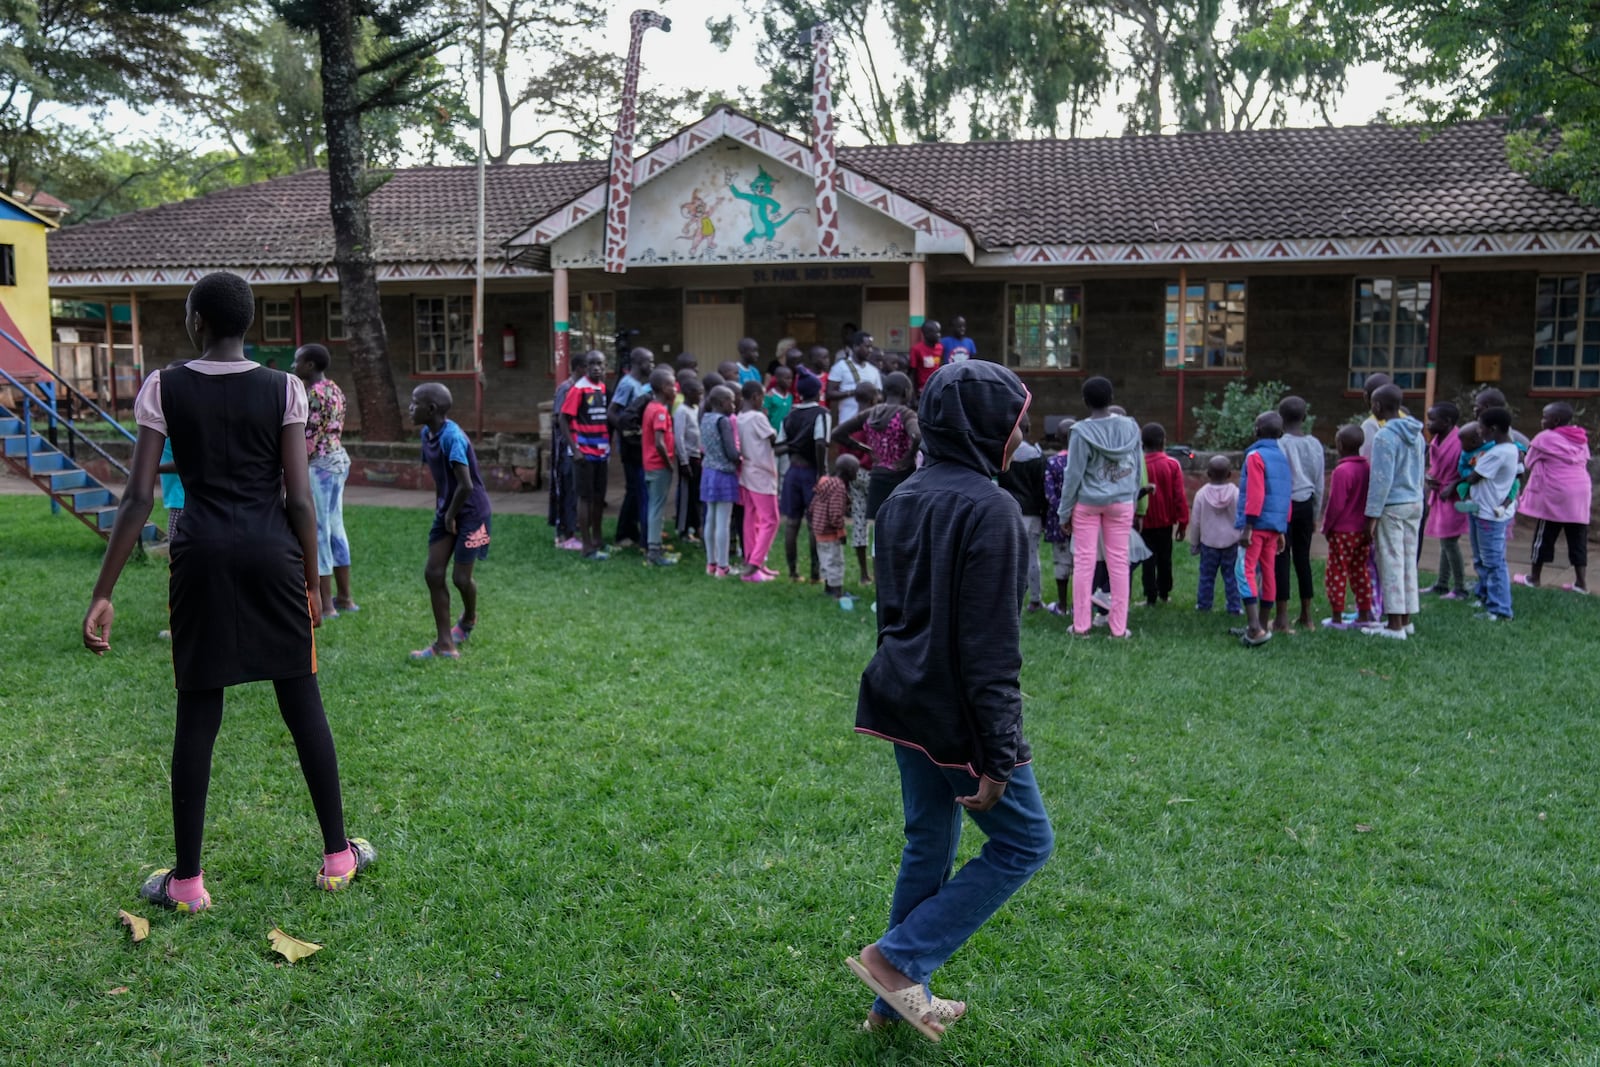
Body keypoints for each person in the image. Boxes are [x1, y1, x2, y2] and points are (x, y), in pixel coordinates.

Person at [83, 271, 371, 912]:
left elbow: (136, 497)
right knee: (302, 703)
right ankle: (336, 856)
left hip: (199, 560)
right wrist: (313, 582)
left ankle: (186, 883)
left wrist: (104, 591)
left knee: (197, 713)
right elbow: (300, 499)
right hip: (274, 558)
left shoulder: (164, 385)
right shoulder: (287, 388)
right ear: (244, 325)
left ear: (195, 322)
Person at [848, 360, 1051, 1043]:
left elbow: (892, 614)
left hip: (900, 696)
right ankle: (893, 959)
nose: (1020, 436)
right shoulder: (991, 509)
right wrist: (999, 754)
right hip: (953, 714)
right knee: (1025, 841)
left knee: (930, 841)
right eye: (1016, 423)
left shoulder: (900, 496)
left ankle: (894, 1002)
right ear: (983, 425)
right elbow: (991, 651)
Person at [1056, 377, 1142, 638]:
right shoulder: (1131, 427)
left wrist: (1064, 511)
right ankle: (1118, 628)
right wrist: (1133, 499)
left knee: (1084, 563)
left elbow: (1073, 475)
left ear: (1085, 401)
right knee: (1119, 562)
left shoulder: (1081, 432)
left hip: (1088, 503)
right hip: (1122, 500)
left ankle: (1081, 626)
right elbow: (1137, 467)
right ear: (1112, 397)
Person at [411, 382, 493, 659]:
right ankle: (444, 644)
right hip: (447, 510)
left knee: (460, 578)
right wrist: (441, 511)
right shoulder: (427, 433)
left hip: (472, 512)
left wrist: (449, 514)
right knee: (433, 573)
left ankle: (469, 619)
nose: (410, 407)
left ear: (431, 409)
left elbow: (466, 485)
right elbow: (440, 477)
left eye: (415, 403)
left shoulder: (452, 437)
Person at [289, 344, 361, 618]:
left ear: (309, 365)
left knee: (318, 530)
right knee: (335, 527)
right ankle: (345, 597)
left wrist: (287, 471)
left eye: (297, 361)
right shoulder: (335, 389)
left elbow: (307, 441)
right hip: (337, 461)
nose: (293, 366)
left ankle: (327, 605)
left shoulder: (312, 395)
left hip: (320, 467)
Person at [1363, 383, 1426, 639]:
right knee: (1408, 561)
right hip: (1415, 502)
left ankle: (1394, 626)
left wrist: (1371, 515)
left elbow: (1381, 479)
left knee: (1390, 562)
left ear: (1377, 406)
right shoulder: (1418, 434)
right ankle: (1407, 619)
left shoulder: (1384, 436)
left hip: (1392, 506)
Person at [1516, 401, 1591, 593]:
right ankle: (1581, 583)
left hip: (1556, 493)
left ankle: (1534, 578)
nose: (1542, 420)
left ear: (1556, 420)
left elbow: (1528, 462)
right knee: (1578, 537)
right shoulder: (1580, 437)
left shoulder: (1545, 438)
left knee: (1544, 536)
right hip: (1581, 491)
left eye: (1544, 416)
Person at [1233, 411, 1292, 647]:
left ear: (1256, 431)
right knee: (1269, 572)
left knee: (1244, 570)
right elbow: (1286, 494)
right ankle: (1263, 624)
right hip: (1274, 526)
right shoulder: (1282, 458)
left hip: (1256, 525)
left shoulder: (1255, 456)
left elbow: (1256, 494)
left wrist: (1247, 525)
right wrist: (1282, 529)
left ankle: (1254, 628)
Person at [834, 372, 921, 526]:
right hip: (902, 477)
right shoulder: (906, 414)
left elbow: (837, 434)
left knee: (880, 526)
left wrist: (865, 448)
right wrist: (909, 456)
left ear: (884, 392)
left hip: (878, 476)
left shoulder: (871, 413)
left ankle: (877, 551)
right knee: (902, 525)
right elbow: (917, 435)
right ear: (906, 392)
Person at [777, 370, 832, 583]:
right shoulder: (821, 413)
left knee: (792, 523)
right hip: (811, 472)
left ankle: (792, 572)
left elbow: (779, 448)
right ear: (818, 392)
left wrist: (795, 444)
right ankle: (815, 574)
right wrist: (821, 472)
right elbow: (820, 442)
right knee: (813, 523)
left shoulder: (789, 415)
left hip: (792, 471)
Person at [1273, 397, 1322, 633]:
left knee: (1280, 556)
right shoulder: (1314, 444)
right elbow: (1320, 482)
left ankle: (1281, 617)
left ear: (1279, 419)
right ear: (1305, 417)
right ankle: (1307, 615)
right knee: (1303, 558)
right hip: (1306, 504)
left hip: (1285, 505)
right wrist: (1316, 513)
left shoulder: (1280, 444)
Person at [1321, 425, 1377, 629]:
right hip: (1362, 529)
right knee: (1359, 570)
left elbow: (1336, 504)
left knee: (1336, 571)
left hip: (1342, 531)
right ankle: (1364, 612)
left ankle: (1336, 617)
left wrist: (1327, 527)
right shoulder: (1367, 468)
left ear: (1340, 445)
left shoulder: (1342, 471)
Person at [1469, 406, 1521, 621]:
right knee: (1482, 558)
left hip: (1489, 515)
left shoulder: (1498, 453)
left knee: (1493, 562)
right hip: (1484, 510)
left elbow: (1473, 477)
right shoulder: (1507, 448)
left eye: (1480, 426)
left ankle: (1500, 609)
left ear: (1492, 429)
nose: (1478, 430)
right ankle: (1484, 595)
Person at [559, 350, 611, 560]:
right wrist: (576, 449)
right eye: (591, 364)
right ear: (585, 367)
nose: (596, 368)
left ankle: (598, 540)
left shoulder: (602, 387)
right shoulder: (578, 389)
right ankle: (587, 546)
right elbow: (563, 419)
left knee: (599, 497)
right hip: (583, 453)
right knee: (585, 498)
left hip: (601, 452)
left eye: (600, 364)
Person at [997, 413, 1047, 611]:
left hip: (1007, 512)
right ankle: (1035, 599)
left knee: (1005, 557)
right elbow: (1042, 489)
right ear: (1028, 428)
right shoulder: (1036, 456)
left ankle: (1005, 600)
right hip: (1031, 513)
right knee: (1032, 556)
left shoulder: (1002, 454)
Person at [1423, 402, 1470, 598]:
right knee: (1445, 541)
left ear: (1447, 422)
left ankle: (1460, 588)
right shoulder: (1437, 440)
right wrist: (1429, 477)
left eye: (1432, 419)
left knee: (1449, 542)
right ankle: (1441, 584)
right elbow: (1434, 467)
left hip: (1455, 497)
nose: (1428, 423)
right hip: (1440, 495)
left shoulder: (1462, 442)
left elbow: (1473, 470)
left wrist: (1453, 484)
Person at [609, 348, 654, 548]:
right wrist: (627, 433)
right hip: (630, 447)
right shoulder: (627, 384)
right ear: (638, 362)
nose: (652, 366)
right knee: (634, 489)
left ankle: (632, 531)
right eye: (649, 362)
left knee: (637, 490)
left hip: (638, 446)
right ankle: (622, 533)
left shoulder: (640, 386)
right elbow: (612, 412)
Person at [1139, 422, 1188, 606]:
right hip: (1166, 523)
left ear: (1142, 443)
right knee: (1165, 558)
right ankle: (1165, 593)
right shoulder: (1171, 464)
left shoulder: (1140, 464)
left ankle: (1150, 597)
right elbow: (1179, 496)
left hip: (1145, 521)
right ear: (1164, 441)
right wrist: (1182, 524)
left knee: (1148, 560)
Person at [736, 380, 780, 581]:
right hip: (762, 473)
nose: (763, 400)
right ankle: (754, 565)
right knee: (771, 520)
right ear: (755, 397)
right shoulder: (757, 417)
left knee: (751, 519)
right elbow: (773, 438)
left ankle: (754, 562)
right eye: (762, 396)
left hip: (747, 470)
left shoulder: (740, 417)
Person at [1191, 454, 1242, 615]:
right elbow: (1241, 517)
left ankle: (1204, 604)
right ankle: (1234, 606)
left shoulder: (1201, 494)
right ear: (1229, 474)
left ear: (1208, 474)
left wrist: (1194, 542)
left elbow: (1196, 521)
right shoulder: (1236, 493)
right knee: (1232, 576)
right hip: (1232, 542)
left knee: (1206, 576)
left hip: (1209, 543)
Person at [699, 385, 740, 577]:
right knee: (724, 521)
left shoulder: (705, 418)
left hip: (708, 472)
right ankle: (723, 566)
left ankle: (711, 563)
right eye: (731, 401)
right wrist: (742, 457)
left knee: (711, 518)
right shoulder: (723, 421)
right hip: (724, 474)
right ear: (722, 402)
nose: (733, 405)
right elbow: (731, 451)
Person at [642, 367, 679, 567]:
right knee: (657, 507)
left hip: (650, 465)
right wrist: (669, 463)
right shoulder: (660, 412)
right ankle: (654, 551)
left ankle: (654, 545)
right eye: (672, 386)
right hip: (658, 466)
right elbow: (659, 442)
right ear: (665, 388)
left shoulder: (651, 406)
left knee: (654, 506)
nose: (675, 389)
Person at [549, 355, 586, 550]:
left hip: (576, 447)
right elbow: (558, 418)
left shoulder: (581, 388)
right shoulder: (567, 388)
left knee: (575, 489)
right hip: (565, 449)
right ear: (580, 368)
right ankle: (564, 535)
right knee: (566, 489)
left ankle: (573, 527)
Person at [810, 454, 859, 599]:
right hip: (830, 533)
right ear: (848, 471)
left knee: (826, 561)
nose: (856, 474)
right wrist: (841, 532)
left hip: (819, 532)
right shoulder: (839, 487)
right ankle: (837, 593)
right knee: (835, 562)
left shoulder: (825, 482)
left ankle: (828, 589)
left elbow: (812, 506)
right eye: (855, 471)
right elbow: (835, 513)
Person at [1041, 421, 1075, 615]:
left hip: (1058, 521)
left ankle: (1062, 605)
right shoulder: (1084, 460)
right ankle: (1080, 605)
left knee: (1061, 562)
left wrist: (1063, 511)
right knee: (1081, 564)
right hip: (1082, 520)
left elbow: (1049, 494)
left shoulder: (1053, 462)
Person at [829, 330, 884, 423]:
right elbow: (830, 393)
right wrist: (853, 392)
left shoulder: (874, 370)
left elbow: (880, 395)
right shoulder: (840, 367)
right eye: (867, 347)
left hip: (869, 422)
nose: (870, 350)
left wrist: (871, 396)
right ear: (855, 347)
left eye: (871, 347)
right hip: (847, 421)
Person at [674, 375, 704, 545]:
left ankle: (695, 526)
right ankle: (683, 528)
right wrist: (684, 461)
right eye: (697, 393)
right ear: (687, 393)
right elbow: (679, 437)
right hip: (688, 459)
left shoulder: (696, 409)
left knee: (696, 495)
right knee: (686, 494)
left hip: (698, 457)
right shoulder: (682, 411)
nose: (700, 397)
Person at [764, 364, 794, 432]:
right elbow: (764, 418)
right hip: (773, 435)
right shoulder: (769, 396)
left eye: (791, 378)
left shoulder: (790, 396)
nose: (790, 381)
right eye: (787, 378)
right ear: (777, 379)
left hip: (786, 435)